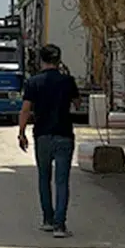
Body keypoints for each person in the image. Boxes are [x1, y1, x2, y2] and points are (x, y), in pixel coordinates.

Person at [18, 43, 81, 238]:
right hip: (63, 135)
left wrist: (21, 132)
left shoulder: (33, 82)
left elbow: (26, 110)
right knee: (62, 181)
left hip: (42, 136)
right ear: (59, 59)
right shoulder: (68, 81)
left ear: (41, 60)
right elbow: (77, 105)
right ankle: (60, 226)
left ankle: (47, 219)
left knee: (44, 178)